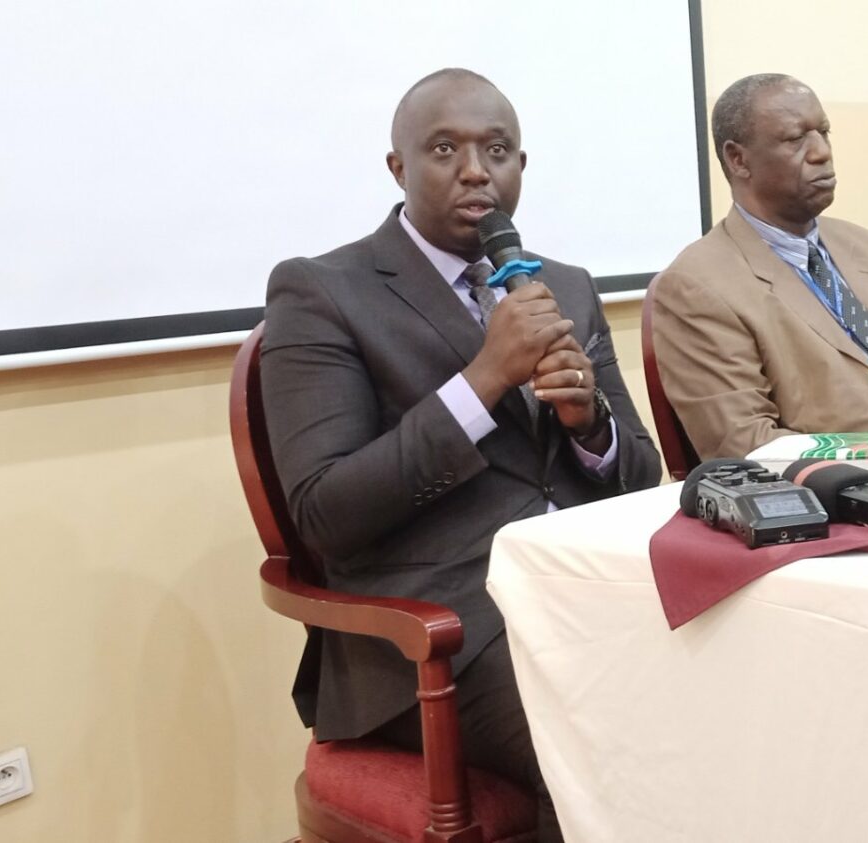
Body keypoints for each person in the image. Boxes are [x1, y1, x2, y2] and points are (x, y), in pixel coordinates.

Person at [260, 68, 662, 839]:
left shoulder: (565, 287)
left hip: (589, 592)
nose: (477, 170)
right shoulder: (324, 291)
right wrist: (483, 381)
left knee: (739, 691)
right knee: (614, 739)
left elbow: (640, 477)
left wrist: (590, 424)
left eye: (497, 150)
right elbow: (325, 511)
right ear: (399, 167)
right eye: (445, 149)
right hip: (440, 636)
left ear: (521, 166)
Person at [647, 73, 868, 461]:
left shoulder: (867, 246)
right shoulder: (697, 285)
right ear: (738, 159)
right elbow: (746, 442)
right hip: (861, 484)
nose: (821, 152)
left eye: (824, 132)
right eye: (795, 139)